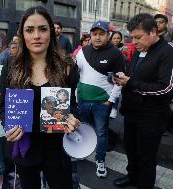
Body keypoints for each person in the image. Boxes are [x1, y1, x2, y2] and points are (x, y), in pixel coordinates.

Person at [0, 6, 81, 189]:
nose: (36, 35)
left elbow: (73, 105)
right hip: (25, 148)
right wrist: (7, 124)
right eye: (30, 30)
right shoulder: (11, 67)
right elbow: (3, 107)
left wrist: (73, 118)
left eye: (42, 29)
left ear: (51, 32)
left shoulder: (66, 67)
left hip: (57, 149)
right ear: (22, 35)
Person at [113, 13, 173, 189]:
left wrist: (131, 82)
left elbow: (167, 88)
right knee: (131, 150)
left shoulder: (168, 50)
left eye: (138, 37)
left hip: (152, 117)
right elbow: (134, 77)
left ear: (153, 31)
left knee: (146, 156)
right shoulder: (137, 51)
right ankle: (132, 177)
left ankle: (144, 184)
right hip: (131, 112)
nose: (134, 41)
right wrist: (123, 79)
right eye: (132, 37)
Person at [75, 20, 125, 178]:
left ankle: (100, 160)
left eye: (101, 34)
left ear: (108, 35)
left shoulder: (117, 54)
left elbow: (120, 80)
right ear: (90, 35)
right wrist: (76, 94)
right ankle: (82, 152)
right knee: (82, 128)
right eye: (94, 34)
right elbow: (77, 75)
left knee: (101, 133)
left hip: (102, 103)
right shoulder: (82, 51)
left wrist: (110, 101)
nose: (97, 37)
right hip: (82, 100)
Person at [154, 13, 173, 134]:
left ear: (166, 24)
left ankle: (170, 124)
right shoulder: (151, 36)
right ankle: (161, 125)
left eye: (161, 22)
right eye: (156, 21)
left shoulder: (170, 36)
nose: (158, 24)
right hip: (160, 73)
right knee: (163, 100)